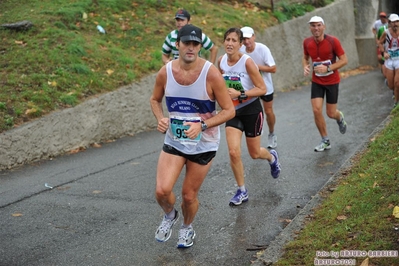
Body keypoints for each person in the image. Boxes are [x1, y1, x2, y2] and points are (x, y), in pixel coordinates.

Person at [150, 24, 235, 248]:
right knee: (161, 191)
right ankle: (170, 215)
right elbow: (154, 100)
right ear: (177, 44)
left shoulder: (211, 74)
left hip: (203, 143)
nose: (191, 47)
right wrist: (160, 118)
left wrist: (203, 125)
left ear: (200, 47)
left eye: (195, 44)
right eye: (186, 43)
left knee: (189, 196)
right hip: (175, 140)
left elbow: (229, 111)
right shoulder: (166, 72)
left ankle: (187, 228)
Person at [217, 27, 281, 206]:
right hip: (233, 111)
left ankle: (271, 157)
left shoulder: (247, 62)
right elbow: (220, 85)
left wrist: (241, 94)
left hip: (251, 109)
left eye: (234, 41)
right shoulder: (221, 62)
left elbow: (262, 89)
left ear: (240, 44)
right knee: (233, 152)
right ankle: (241, 190)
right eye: (227, 40)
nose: (230, 43)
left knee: (254, 153)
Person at [302, 16, 348, 152]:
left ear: (323, 27)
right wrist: (305, 66)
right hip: (317, 81)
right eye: (313, 26)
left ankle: (339, 117)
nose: (316, 28)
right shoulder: (307, 42)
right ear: (310, 28)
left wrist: (328, 68)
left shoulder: (333, 41)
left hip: (332, 81)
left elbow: (344, 60)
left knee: (330, 113)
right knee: (316, 110)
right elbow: (305, 57)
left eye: (318, 25)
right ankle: (325, 140)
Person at [239, 26, 278, 149]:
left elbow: (273, 68)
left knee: (268, 111)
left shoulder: (263, 49)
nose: (246, 42)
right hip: (250, 87)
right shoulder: (240, 50)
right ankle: (253, 138)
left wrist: (255, 67)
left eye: (248, 38)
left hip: (265, 86)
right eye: (244, 39)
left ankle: (272, 133)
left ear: (254, 36)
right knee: (250, 112)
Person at [378, 13, 399, 108]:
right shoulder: (386, 32)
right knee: (391, 85)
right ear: (389, 23)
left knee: (397, 83)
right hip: (389, 60)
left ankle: (396, 102)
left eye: (397, 21)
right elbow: (380, 43)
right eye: (393, 22)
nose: (395, 24)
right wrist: (384, 53)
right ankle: (391, 88)